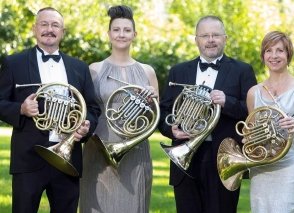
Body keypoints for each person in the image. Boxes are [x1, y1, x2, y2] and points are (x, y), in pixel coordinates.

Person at [0, 7, 101, 213]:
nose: (49, 29)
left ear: (62, 32)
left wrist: (87, 125)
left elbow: (92, 108)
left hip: (68, 158)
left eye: (55, 25)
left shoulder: (79, 67)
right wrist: (20, 108)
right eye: (44, 24)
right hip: (29, 158)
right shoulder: (14, 62)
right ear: (34, 29)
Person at [158, 15, 257, 213]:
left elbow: (253, 113)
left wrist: (227, 102)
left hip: (224, 157)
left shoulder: (243, 70)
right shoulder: (178, 71)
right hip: (185, 155)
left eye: (215, 35)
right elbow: (164, 111)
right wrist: (172, 130)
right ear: (196, 40)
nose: (210, 39)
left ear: (225, 38)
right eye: (205, 35)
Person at [79, 5, 159, 213]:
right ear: (109, 34)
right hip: (100, 148)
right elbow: (87, 110)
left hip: (136, 150)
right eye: (116, 29)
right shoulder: (95, 69)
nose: (121, 34)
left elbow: (154, 118)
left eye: (126, 30)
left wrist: (150, 102)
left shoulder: (147, 72)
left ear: (135, 34)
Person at [246, 31, 294, 213]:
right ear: (263, 56)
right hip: (261, 167)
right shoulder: (253, 93)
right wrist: (248, 141)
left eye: (280, 50)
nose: (274, 56)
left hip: (290, 166)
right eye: (268, 51)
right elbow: (252, 132)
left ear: (288, 54)